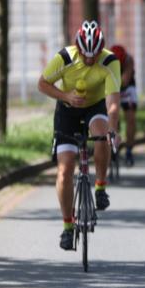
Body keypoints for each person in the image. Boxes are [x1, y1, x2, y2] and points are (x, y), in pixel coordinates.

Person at [38, 21, 120, 250]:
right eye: (86, 55)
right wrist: (65, 95)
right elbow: (42, 84)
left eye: (94, 55)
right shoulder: (64, 58)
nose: (90, 60)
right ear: (78, 47)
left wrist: (113, 128)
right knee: (65, 169)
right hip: (67, 109)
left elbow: (113, 102)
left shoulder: (110, 61)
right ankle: (67, 226)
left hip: (95, 107)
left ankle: (101, 187)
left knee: (102, 136)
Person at [110, 44, 137, 166]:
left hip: (127, 88)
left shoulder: (129, 60)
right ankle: (113, 142)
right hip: (112, 86)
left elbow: (125, 80)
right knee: (112, 113)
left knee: (130, 118)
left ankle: (129, 150)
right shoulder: (106, 60)